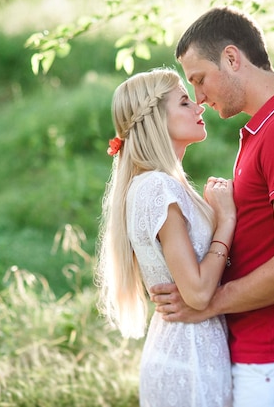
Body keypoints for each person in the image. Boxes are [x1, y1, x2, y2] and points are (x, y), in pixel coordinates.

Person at [149, 7, 274, 407]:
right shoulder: (270, 127)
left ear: (233, 58)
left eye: (200, 79)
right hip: (265, 351)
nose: (199, 97)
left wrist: (205, 302)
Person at [95, 68, 235, 407]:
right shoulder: (159, 187)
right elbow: (199, 293)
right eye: (185, 102)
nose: (199, 106)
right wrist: (227, 220)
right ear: (156, 119)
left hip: (185, 349)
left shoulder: (160, 184)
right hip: (189, 357)